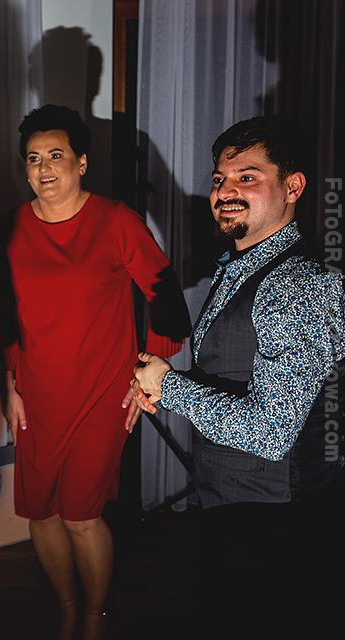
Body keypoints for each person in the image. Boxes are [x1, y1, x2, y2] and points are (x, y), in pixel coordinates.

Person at [132, 115, 344, 639]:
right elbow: (235, 371)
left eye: (247, 177)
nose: (225, 191)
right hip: (234, 508)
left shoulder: (300, 285)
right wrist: (167, 384)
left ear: (293, 187)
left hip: (277, 525)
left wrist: (170, 386)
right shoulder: (241, 264)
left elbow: (270, 431)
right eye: (219, 179)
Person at [0, 104, 190, 639]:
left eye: (56, 155)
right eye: (33, 158)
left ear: (81, 162)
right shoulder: (10, 226)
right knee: (41, 514)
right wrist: (9, 385)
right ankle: (67, 607)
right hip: (36, 394)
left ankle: (96, 617)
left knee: (80, 514)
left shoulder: (115, 220)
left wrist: (146, 375)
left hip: (101, 395)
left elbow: (166, 297)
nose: (43, 168)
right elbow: (1, 315)